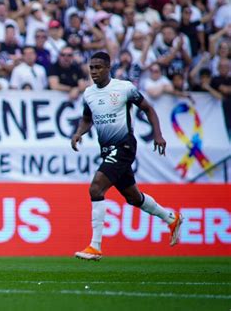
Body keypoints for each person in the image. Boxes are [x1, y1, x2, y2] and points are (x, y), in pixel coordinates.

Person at [71, 52, 183, 261]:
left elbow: (148, 109)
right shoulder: (89, 94)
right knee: (133, 197)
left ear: (108, 67)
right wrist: (79, 133)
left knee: (96, 188)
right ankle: (171, 218)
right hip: (107, 149)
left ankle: (95, 246)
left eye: (98, 67)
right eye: (91, 67)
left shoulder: (124, 88)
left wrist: (158, 135)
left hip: (124, 146)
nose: (94, 71)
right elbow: (87, 118)